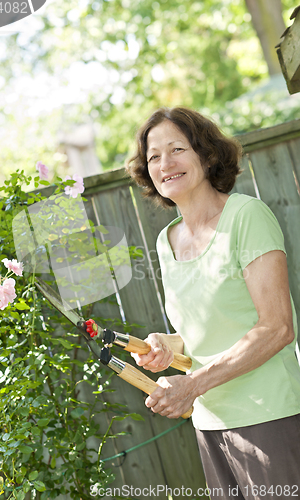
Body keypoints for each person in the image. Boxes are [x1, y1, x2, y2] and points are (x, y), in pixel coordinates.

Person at [126, 107, 300, 499]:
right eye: (154, 156)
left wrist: (192, 385)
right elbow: (208, 329)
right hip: (209, 425)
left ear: (205, 154)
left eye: (177, 149)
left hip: (268, 415)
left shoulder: (246, 216)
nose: (165, 163)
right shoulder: (166, 241)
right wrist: (166, 345)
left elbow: (277, 328)